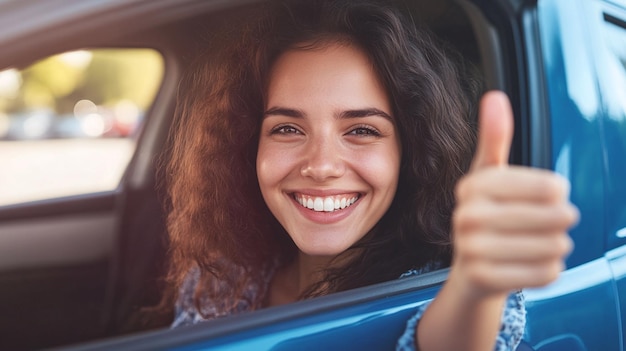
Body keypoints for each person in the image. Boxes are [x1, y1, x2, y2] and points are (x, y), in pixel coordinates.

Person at [161, 0, 578, 350]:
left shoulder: (436, 283)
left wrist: (474, 287)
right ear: (248, 145)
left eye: (362, 130)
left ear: (410, 151)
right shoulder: (221, 277)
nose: (321, 166)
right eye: (287, 129)